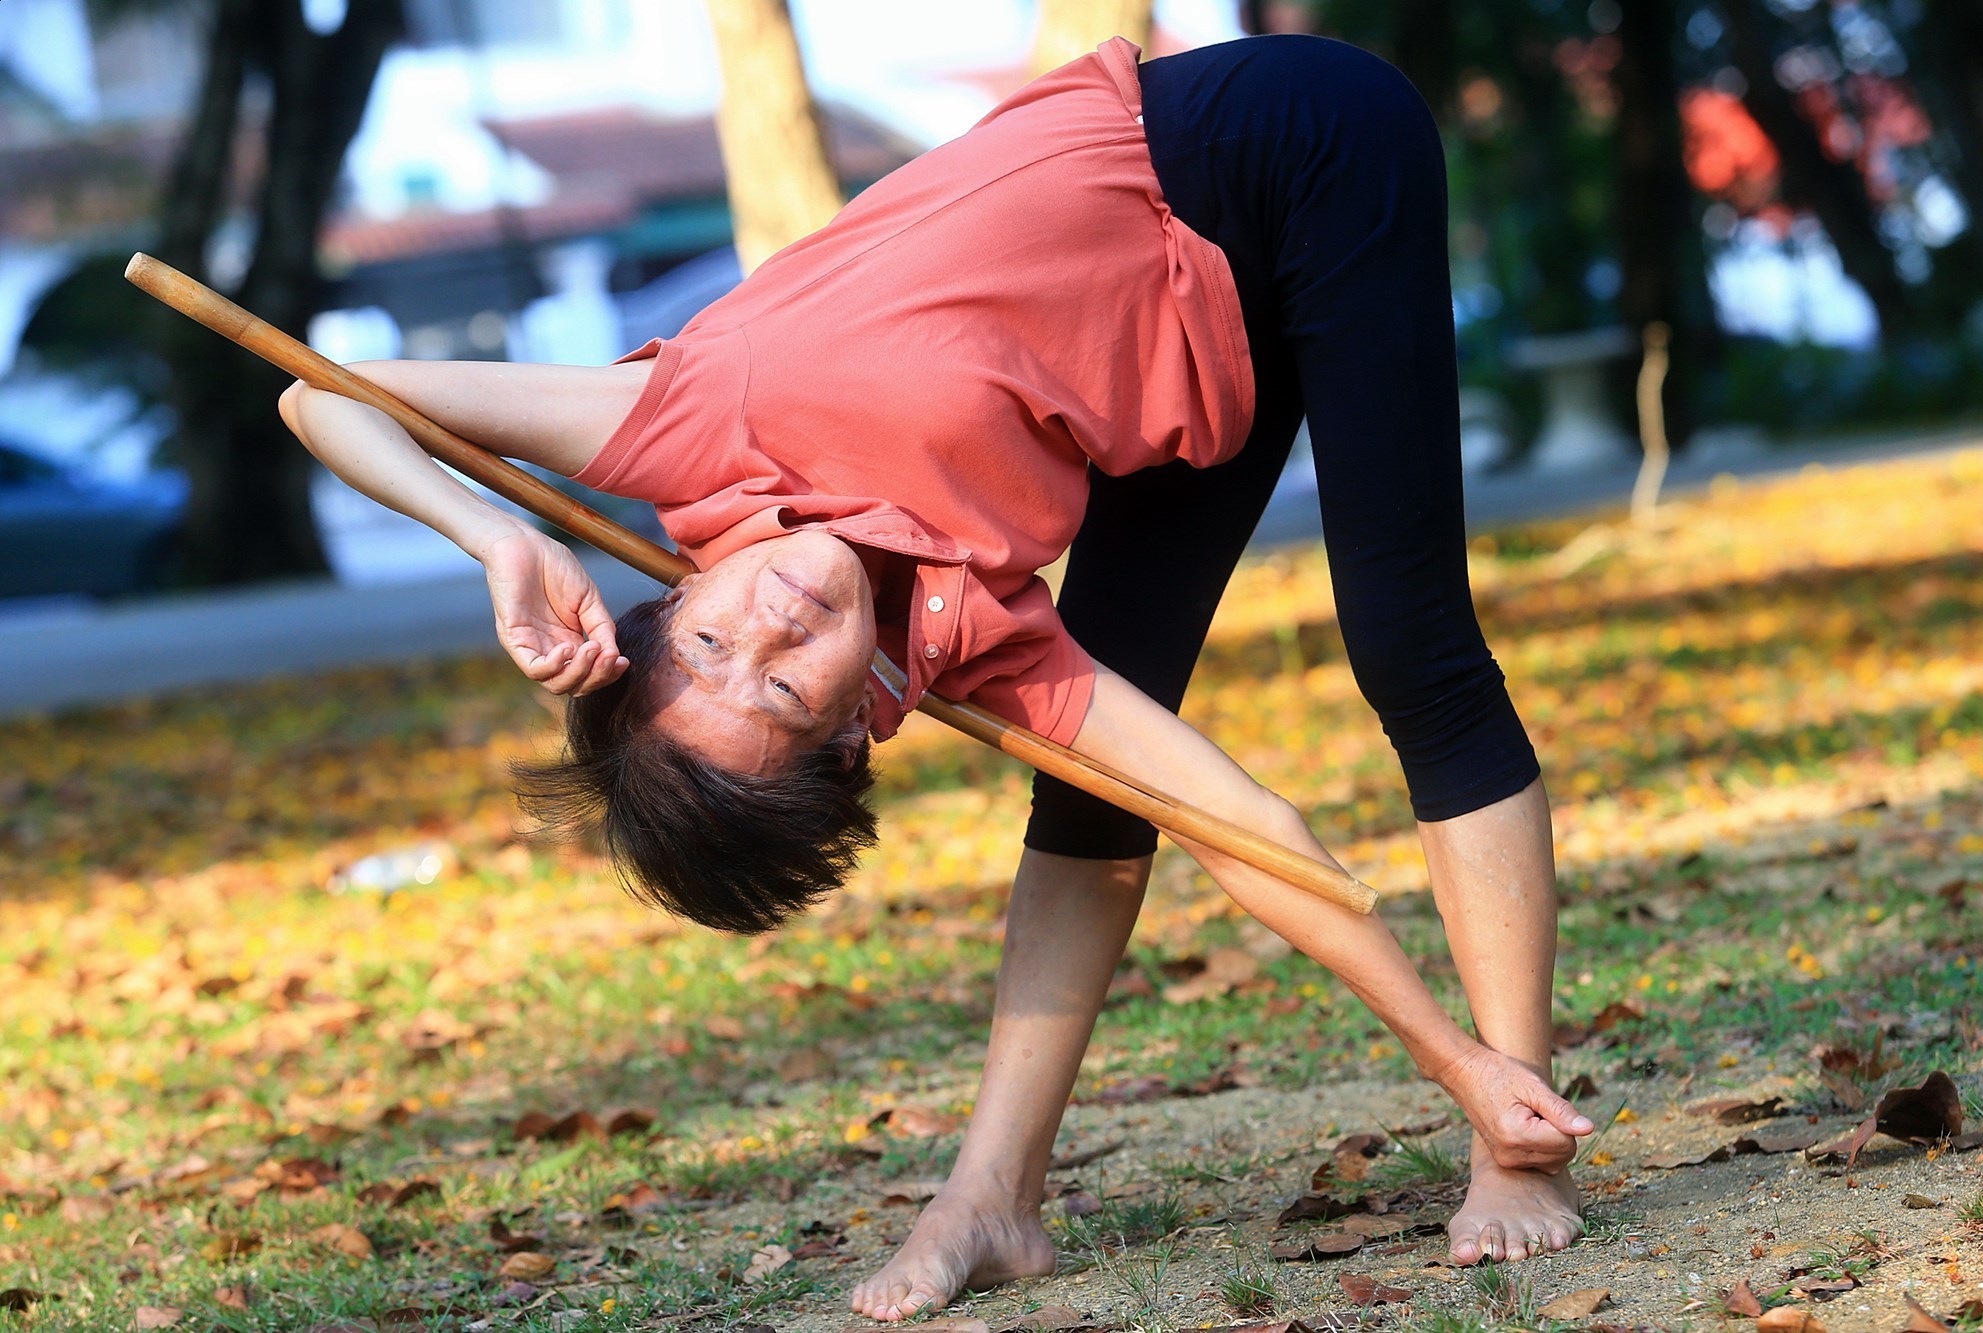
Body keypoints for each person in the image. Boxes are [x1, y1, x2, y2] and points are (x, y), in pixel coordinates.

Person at [278, 33, 1593, 1317]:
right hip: (1191, 351)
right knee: (1093, 799)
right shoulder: (971, 641)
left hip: (1282, 142)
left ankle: (1516, 1136)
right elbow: (1241, 824)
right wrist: (1441, 1050)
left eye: (710, 642)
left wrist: (498, 534)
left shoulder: (698, 420)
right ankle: (991, 1198)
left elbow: (318, 396)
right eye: (785, 691)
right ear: (858, 729)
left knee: (1407, 641)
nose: (772, 627)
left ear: (671, 601)